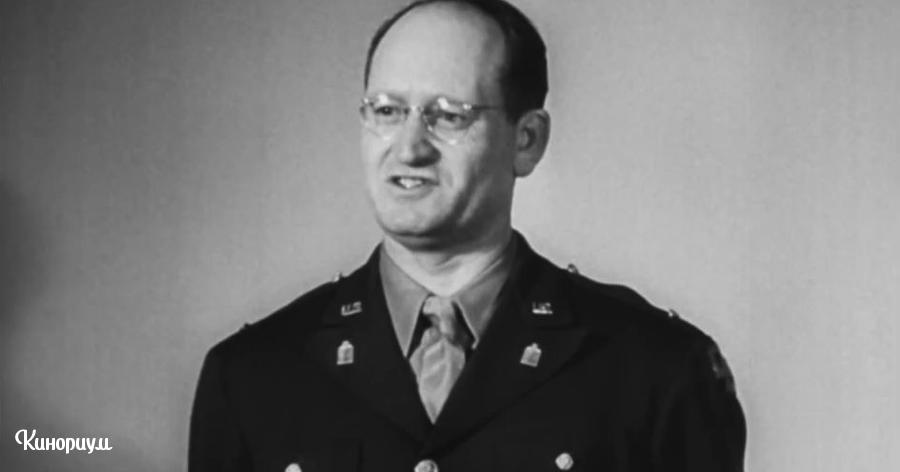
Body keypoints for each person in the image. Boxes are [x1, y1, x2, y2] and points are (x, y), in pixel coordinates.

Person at [188, 0, 747, 471]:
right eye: (386, 111)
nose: (409, 147)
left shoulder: (656, 370)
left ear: (526, 140)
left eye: (449, 116)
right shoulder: (250, 377)